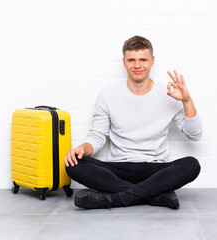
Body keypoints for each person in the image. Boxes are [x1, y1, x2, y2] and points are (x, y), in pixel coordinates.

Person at [64, 35, 202, 210]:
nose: (137, 65)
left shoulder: (169, 94)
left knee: (191, 165)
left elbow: (195, 134)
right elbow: (97, 137)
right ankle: (155, 196)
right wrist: (82, 149)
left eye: (143, 59)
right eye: (132, 60)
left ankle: (113, 199)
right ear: (124, 62)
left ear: (152, 61)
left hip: (155, 169)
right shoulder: (107, 95)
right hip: (119, 168)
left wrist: (187, 101)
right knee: (73, 164)